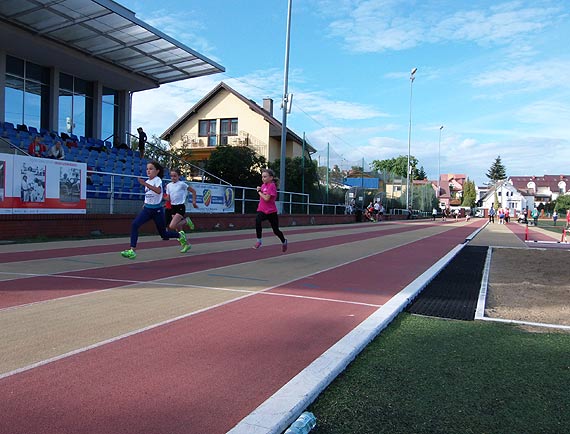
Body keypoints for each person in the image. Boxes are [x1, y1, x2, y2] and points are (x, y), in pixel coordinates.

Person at [120, 161, 189, 259]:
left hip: (157, 211)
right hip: (148, 209)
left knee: (164, 234)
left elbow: (158, 191)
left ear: (157, 171)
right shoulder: (148, 181)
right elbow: (149, 194)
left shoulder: (157, 180)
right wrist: (145, 203)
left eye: (151, 169)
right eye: (147, 169)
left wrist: (144, 184)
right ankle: (132, 250)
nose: (148, 171)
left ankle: (179, 235)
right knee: (134, 224)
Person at [253, 168, 287, 252]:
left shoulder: (272, 186)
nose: (263, 178)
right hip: (262, 210)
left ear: (271, 178)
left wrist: (259, 192)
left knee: (276, 230)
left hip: (271, 212)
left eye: (265, 177)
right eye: (262, 177)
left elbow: (266, 198)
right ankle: (259, 241)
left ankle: (284, 241)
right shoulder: (263, 185)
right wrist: (260, 190)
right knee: (257, 220)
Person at [164, 168, 198, 247]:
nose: (173, 178)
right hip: (173, 207)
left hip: (180, 207)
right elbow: (168, 198)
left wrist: (194, 201)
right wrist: (160, 196)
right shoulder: (168, 186)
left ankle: (186, 221)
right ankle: (186, 244)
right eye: (171, 176)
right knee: (178, 229)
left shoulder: (182, 184)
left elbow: (193, 191)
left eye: (175, 176)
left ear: (179, 176)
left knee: (172, 226)